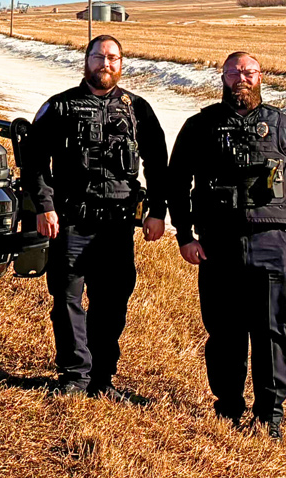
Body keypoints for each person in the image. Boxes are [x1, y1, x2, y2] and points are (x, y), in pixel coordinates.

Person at [167, 52, 286, 439]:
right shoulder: (201, 126)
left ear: (260, 77)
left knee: (271, 333)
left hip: (271, 246)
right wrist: (185, 235)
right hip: (218, 246)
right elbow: (176, 182)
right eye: (234, 72)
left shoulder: (283, 127)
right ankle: (229, 409)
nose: (242, 78)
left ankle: (270, 416)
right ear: (223, 77)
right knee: (224, 333)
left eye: (249, 72)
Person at [21, 34, 170, 401]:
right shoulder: (60, 107)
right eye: (99, 57)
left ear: (122, 64)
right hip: (71, 220)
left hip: (117, 226)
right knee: (67, 299)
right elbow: (34, 161)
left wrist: (158, 212)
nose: (106, 64)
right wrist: (44, 205)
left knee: (112, 302)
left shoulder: (138, 109)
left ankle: (102, 379)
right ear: (86, 61)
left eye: (114, 58)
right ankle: (74, 377)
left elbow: (158, 164)